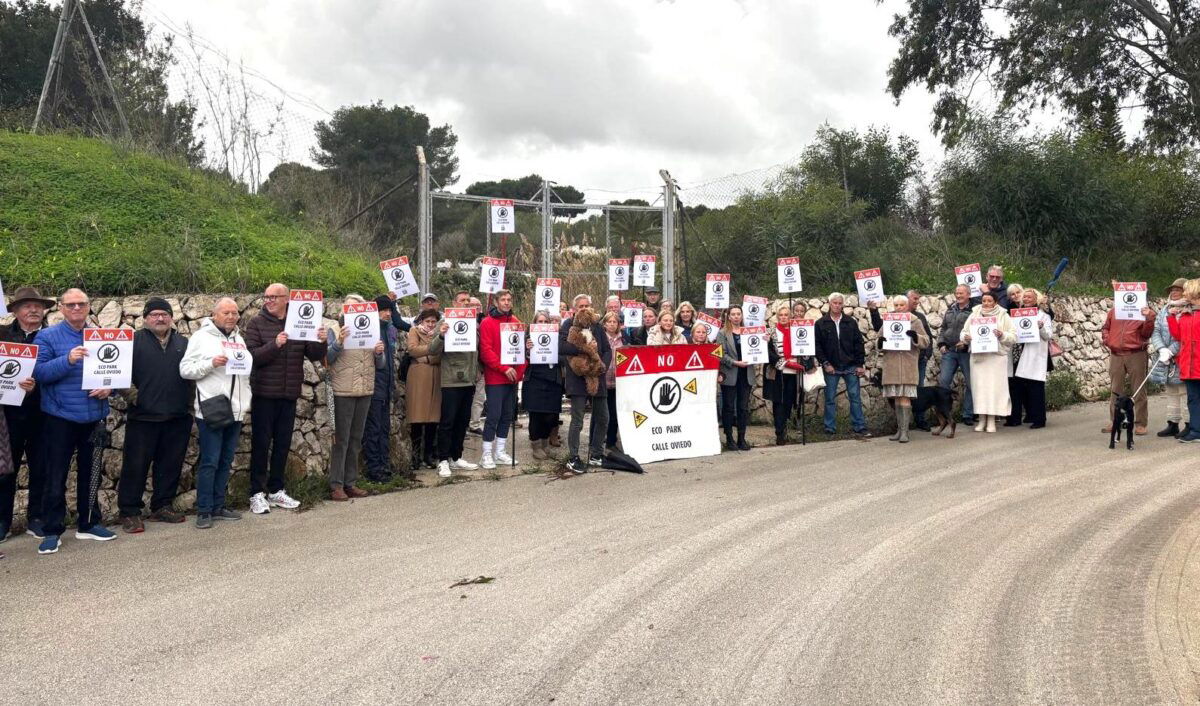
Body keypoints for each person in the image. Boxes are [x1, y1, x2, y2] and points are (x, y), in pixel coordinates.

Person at [32, 288, 116, 554]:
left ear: (89, 306)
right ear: (61, 308)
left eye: (81, 304)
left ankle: (88, 524)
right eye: (71, 305)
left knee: (91, 475)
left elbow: (114, 370)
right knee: (55, 475)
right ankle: (52, 530)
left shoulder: (101, 336)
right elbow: (40, 373)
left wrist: (108, 388)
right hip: (60, 417)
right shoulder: (46, 336)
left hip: (93, 416)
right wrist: (67, 359)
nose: (77, 308)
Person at [244, 283, 325, 515]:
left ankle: (276, 490)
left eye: (273, 297)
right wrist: (275, 344)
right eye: (266, 297)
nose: (268, 301)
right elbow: (251, 357)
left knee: (282, 445)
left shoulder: (300, 321)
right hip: (264, 395)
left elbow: (315, 355)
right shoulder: (256, 323)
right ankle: (256, 493)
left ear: (286, 299)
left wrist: (321, 340)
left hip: (289, 394)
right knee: (260, 445)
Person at [116, 298, 192, 533]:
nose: (160, 318)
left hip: (177, 416)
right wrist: (134, 396)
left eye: (164, 314)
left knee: (170, 464)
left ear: (172, 317)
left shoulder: (184, 343)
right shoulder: (133, 341)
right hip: (144, 417)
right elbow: (117, 370)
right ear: (145, 318)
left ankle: (162, 505)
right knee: (135, 466)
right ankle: (129, 512)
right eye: (155, 314)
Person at [179, 298, 251, 529]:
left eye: (234, 312)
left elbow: (243, 375)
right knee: (209, 461)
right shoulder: (201, 337)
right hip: (212, 409)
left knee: (225, 460)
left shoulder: (238, 338)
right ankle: (204, 510)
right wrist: (210, 363)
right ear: (215, 314)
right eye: (226, 312)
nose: (231, 316)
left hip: (236, 410)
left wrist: (246, 401)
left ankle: (219, 506)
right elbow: (185, 370)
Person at [0, 287, 53, 544]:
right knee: (5, 471)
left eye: (37, 306)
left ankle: (37, 518)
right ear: (16, 311)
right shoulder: (1, 336)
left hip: (44, 414)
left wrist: (37, 386)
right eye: (26, 306)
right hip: (8, 417)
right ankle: (2, 521)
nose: (33, 310)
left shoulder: (53, 336)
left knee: (41, 468)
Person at [325, 295, 386, 500]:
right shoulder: (334, 330)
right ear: (343, 310)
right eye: (349, 308)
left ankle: (350, 482)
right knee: (341, 440)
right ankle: (336, 485)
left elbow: (381, 364)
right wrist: (340, 342)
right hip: (343, 390)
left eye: (357, 308)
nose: (352, 311)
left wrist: (379, 353)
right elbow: (328, 359)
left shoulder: (370, 329)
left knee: (356, 439)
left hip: (365, 390)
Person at [559, 294, 611, 473]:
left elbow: (607, 350)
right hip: (577, 378)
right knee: (577, 420)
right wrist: (585, 348)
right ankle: (573, 457)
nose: (584, 308)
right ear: (574, 309)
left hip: (597, 376)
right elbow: (562, 347)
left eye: (586, 305)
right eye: (580, 306)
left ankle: (596, 453)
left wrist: (601, 365)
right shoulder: (568, 325)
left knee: (603, 417)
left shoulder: (597, 326)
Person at [427, 310, 481, 478]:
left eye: (469, 302)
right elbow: (432, 349)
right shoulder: (445, 321)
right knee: (448, 421)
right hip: (451, 380)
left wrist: (477, 371)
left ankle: (456, 456)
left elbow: (476, 349)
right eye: (463, 301)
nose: (467, 305)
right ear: (456, 303)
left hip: (469, 379)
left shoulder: (474, 323)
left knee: (462, 421)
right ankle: (443, 460)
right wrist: (442, 335)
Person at [478, 290, 527, 469]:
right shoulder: (487, 323)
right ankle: (486, 454)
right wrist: (503, 368)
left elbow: (520, 351)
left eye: (509, 299)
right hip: (496, 377)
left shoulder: (516, 323)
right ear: (496, 302)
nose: (506, 303)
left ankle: (500, 451)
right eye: (503, 300)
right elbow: (486, 351)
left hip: (512, 379)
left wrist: (518, 372)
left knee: (507, 415)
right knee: (493, 415)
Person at [870, 293, 933, 431]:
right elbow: (878, 339)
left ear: (907, 306)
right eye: (896, 305)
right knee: (896, 398)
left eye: (902, 305)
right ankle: (900, 430)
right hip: (892, 365)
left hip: (908, 365)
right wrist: (880, 342)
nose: (899, 308)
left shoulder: (915, 321)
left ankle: (905, 431)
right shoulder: (888, 321)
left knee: (905, 397)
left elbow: (926, 341)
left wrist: (915, 336)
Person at [362, 294, 407, 482]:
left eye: (389, 310)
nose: (388, 314)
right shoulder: (370, 331)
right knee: (373, 430)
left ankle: (384, 466)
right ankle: (374, 470)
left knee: (383, 429)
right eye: (384, 310)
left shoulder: (387, 330)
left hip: (385, 387)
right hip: (374, 387)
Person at [1101, 287, 1156, 436]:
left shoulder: (1143, 312)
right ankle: (1114, 421)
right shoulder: (1113, 312)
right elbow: (1106, 328)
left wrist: (1149, 317)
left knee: (1138, 389)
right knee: (1115, 389)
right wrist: (1108, 340)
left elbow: (1147, 333)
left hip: (1136, 353)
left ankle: (1140, 423)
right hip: (1116, 354)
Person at [814, 293, 869, 437]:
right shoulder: (821, 323)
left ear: (842, 304)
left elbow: (858, 344)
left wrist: (859, 364)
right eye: (834, 303)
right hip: (831, 366)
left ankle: (859, 426)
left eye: (839, 303)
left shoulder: (850, 322)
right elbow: (817, 346)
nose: (837, 305)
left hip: (850, 365)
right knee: (830, 398)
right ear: (829, 303)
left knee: (855, 397)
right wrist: (825, 363)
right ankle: (829, 428)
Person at [961, 291, 1016, 433]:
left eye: (989, 301)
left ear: (995, 302)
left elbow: (1013, 335)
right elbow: (963, 332)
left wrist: (1002, 334)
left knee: (994, 389)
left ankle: (991, 420)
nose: (986, 303)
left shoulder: (1003, 315)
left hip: (996, 358)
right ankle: (981, 419)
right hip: (979, 358)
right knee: (980, 388)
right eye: (984, 300)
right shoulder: (974, 314)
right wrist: (966, 337)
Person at [765, 304, 812, 446]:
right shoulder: (772, 332)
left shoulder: (797, 331)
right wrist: (786, 363)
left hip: (793, 373)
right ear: (777, 317)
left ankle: (785, 427)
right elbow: (769, 353)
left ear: (790, 316)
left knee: (789, 402)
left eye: (786, 315)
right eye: (781, 315)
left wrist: (803, 362)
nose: (784, 317)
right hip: (778, 371)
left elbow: (806, 348)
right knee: (778, 402)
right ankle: (779, 433)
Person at [1009, 288, 1053, 429]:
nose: (1026, 299)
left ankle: (1039, 419)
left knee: (1036, 387)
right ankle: (1021, 417)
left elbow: (1048, 335)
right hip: (1018, 353)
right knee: (1019, 387)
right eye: (1025, 297)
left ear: (1036, 299)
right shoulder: (1017, 315)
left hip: (1034, 355)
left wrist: (1040, 327)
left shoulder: (1043, 316)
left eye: (1030, 297)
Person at [523, 311, 564, 462]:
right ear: (534, 323)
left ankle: (545, 443)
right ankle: (536, 445)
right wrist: (527, 350)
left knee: (551, 415)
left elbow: (565, 357)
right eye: (539, 321)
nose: (543, 324)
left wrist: (554, 354)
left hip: (553, 380)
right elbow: (519, 357)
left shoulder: (558, 338)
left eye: (546, 321)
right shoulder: (527, 339)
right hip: (535, 379)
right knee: (536, 415)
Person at [1152, 279, 1190, 438]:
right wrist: (1161, 349)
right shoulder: (1164, 310)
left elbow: (1184, 336)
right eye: (1172, 290)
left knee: (1186, 392)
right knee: (1171, 391)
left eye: (1177, 290)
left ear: (1185, 292)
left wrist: (1171, 351)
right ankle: (1172, 423)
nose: (1173, 293)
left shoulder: (1189, 310)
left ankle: (1190, 424)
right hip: (1165, 358)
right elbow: (1156, 330)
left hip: (1181, 357)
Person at [407, 309, 443, 470]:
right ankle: (415, 456)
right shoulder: (414, 331)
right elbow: (412, 350)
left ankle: (428, 455)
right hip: (418, 377)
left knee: (432, 418)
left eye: (433, 321)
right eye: (427, 321)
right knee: (417, 416)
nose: (430, 324)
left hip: (435, 376)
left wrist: (426, 356)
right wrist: (431, 350)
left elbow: (440, 354)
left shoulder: (440, 334)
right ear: (421, 321)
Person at [1166, 279, 1200, 443]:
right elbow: (1178, 336)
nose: (1184, 294)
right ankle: (1195, 430)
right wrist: (1172, 318)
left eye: (1186, 291)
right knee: (1193, 399)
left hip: (1197, 364)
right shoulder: (1186, 315)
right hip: (1188, 366)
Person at [938, 284, 976, 425]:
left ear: (968, 295)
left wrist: (966, 343)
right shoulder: (950, 309)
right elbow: (943, 329)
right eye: (957, 293)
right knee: (943, 382)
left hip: (966, 352)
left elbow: (977, 331)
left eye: (961, 293)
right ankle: (945, 413)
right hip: (950, 352)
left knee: (971, 384)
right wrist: (941, 344)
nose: (958, 295)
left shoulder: (974, 311)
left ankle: (968, 414)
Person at [719, 306, 755, 450]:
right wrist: (735, 363)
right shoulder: (723, 333)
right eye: (733, 314)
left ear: (742, 315)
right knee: (728, 407)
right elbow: (720, 353)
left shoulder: (750, 333)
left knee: (743, 408)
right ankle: (729, 438)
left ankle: (742, 438)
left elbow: (757, 349)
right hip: (731, 373)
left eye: (738, 314)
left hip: (746, 375)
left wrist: (764, 340)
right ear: (728, 316)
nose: (736, 316)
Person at [596, 311, 626, 451]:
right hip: (603, 381)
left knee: (615, 414)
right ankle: (598, 441)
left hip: (619, 382)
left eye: (615, 322)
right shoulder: (600, 338)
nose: (612, 324)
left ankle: (611, 442)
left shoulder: (624, 338)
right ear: (604, 324)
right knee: (602, 414)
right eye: (609, 322)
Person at [468, 296, 487, 436]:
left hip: (481, 366)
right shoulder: (461, 321)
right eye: (472, 305)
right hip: (466, 367)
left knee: (479, 398)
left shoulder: (485, 321)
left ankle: (474, 424)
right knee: (466, 398)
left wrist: (480, 367)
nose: (476, 307)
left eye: (478, 305)